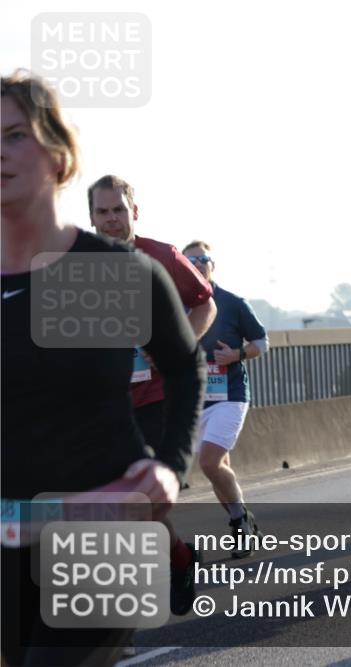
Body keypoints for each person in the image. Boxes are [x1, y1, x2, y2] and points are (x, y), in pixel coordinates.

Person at [2, 71, 205, 666]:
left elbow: (185, 369)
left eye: (15, 135)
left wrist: (169, 468)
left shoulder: (118, 271)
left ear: (57, 153)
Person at [88, 174, 215, 615]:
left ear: (134, 212)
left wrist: (180, 350)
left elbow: (205, 302)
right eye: (102, 212)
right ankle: (181, 557)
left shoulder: (161, 256)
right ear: (91, 218)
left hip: (160, 396)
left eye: (119, 210)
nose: (111, 220)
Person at [182, 240, 270, 557]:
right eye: (190, 260)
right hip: (195, 400)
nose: (198, 264)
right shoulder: (177, 305)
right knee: (218, 470)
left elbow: (262, 343)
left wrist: (237, 354)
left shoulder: (232, 303)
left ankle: (240, 522)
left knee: (209, 462)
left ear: (212, 265)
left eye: (203, 259)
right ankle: (243, 520)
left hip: (230, 395)